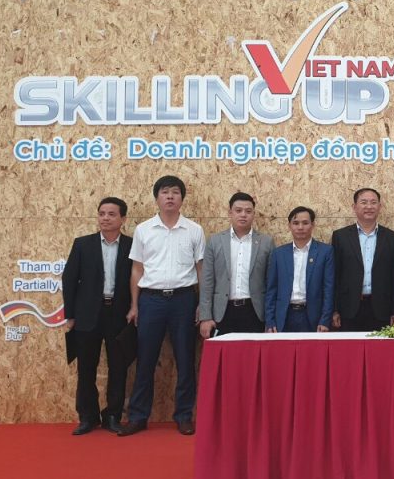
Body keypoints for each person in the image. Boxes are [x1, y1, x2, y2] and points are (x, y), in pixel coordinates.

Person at [119, 175, 205, 437]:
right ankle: (138, 416)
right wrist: (135, 305)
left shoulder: (194, 230)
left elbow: (201, 269)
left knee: (185, 360)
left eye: (175, 192)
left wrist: (203, 304)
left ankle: (184, 416)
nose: (170, 196)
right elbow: (137, 269)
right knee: (145, 360)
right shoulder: (144, 230)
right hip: (151, 301)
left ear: (182, 198)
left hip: (184, 300)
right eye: (165, 192)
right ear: (157, 198)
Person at [62, 197, 133, 435]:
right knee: (86, 368)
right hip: (87, 314)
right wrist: (70, 315)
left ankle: (112, 416)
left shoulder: (132, 246)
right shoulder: (83, 244)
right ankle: (87, 417)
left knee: (118, 368)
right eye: (102, 213)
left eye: (112, 214)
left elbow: (140, 279)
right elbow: (69, 280)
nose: (105, 218)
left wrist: (135, 308)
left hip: (119, 314)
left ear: (123, 219)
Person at [198, 192, 275, 338]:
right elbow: (207, 281)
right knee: (225, 352)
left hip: (255, 311)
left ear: (254, 214)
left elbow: (271, 283)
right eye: (238, 210)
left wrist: (270, 319)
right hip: (222, 311)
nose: (243, 215)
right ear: (230, 213)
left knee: (253, 352)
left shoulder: (266, 242)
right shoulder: (215, 241)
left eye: (248, 211)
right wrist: (205, 317)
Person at [331, 188, 394, 331]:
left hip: (382, 309)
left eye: (373, 202)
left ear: (380, 207)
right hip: (348, 308)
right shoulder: (340, 236)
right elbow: (335, 275)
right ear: (354, 207)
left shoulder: (392, 237)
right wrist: (334, 310)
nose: (369, 206)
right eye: (364, 202)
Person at [265, 207, 335, 333]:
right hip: (284, 316)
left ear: (313, 225)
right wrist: (270, 321)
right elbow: (271, 289)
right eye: (296, 223)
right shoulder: (278, 254)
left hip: (313, 317)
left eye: (305, 223)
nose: (300, 227)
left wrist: (325, 320)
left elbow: (328, 289)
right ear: (289, 226)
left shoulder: (325, 252)